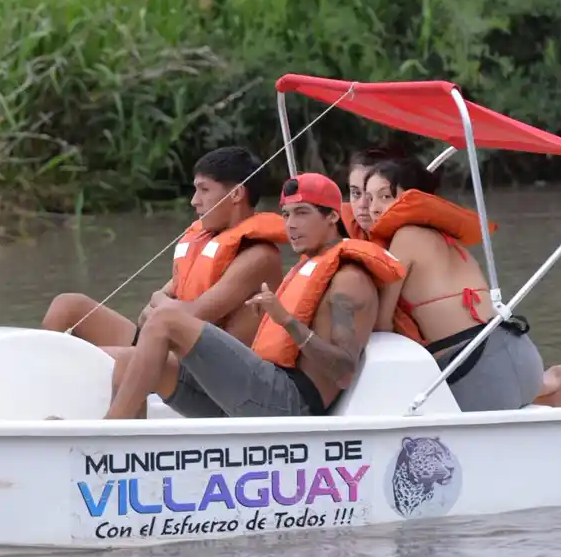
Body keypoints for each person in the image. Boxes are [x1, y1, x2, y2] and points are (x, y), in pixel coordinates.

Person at [102, 172, 406, 420]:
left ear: (331, 217)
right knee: (129, 361)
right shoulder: (308, 266)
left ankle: (104, 439)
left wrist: (286, 321)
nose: (291, 225)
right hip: (260, 394)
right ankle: (127, 460)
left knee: (168, 320)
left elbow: (343, 371)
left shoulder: (349, 280)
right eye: (286, 214)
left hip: (290, 406)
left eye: (302, 213)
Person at [363, 156, 561, 410]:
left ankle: (542, 391)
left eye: (385, 196)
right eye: (369, 198)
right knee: (507, 387)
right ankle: (545, 391)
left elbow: (382, 326)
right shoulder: (448, 237)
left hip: (476, 369)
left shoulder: (405, 237)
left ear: (411, 197)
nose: (373, 208)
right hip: (518, 351)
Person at [41, 146, 287, 348]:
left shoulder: (258, 256)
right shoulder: (204, 244)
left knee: (88, 357)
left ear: (235, 195)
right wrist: (163, 305)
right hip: (164, 348)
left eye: (204, 190)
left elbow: (190, 315)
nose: (194, 201)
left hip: (207, 371)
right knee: (67, 305)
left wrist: (162, 304)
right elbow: (145, 315)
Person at [342, 145, 408, 240]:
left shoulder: (411, 238)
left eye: (382, 195)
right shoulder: (333, 224)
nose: (362, 204)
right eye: (356, 193)